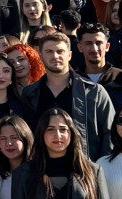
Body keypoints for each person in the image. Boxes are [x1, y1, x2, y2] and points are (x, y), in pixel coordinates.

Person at [20, 32, 114, 160]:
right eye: (49, 51)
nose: (55, 56)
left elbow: (110, 132)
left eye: (60, 51)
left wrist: (100, 167)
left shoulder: (94, 92)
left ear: (69, 55)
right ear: (40, 56)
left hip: (83, 169)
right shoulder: (29, 93)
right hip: (40, 170)